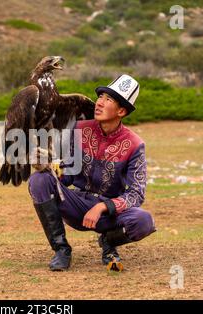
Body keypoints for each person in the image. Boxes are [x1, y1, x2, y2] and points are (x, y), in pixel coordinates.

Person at [28, 74, 156, 272]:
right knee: (39, 180)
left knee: (144, 221)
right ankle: (61, 250)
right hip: (77, 204)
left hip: (110, 214)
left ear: (121, 111)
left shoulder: (135, 145)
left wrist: (102, 208)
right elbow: (67, 172)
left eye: (108, 99)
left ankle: (108, 241)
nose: (100, 103)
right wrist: (47, 166)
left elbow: (136, 194)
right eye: (100, 97)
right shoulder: (79, 129)